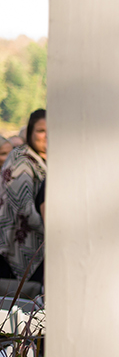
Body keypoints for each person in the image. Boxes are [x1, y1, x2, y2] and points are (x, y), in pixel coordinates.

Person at [0, 109, 47, 285]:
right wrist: (55, 234)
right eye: (41, 131)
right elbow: (24, 208)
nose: (46, 136)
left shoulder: (47, 160)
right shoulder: (21, 159)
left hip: (40, 248)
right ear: (30, 132)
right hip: (16, 250)